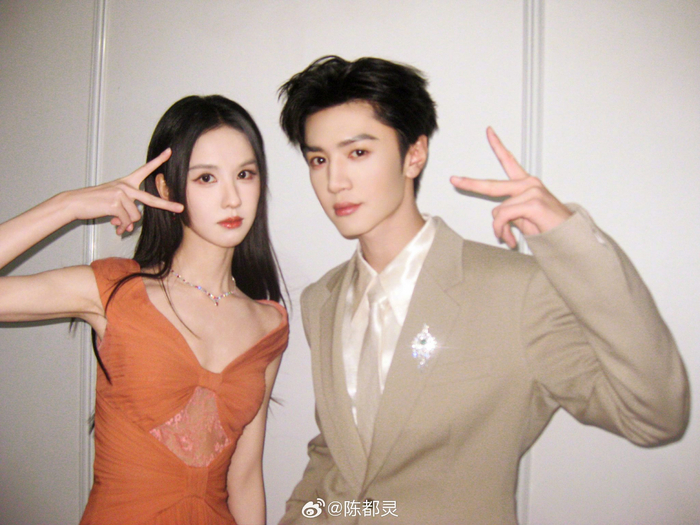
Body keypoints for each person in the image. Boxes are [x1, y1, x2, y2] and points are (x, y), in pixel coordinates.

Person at [276, 56, 689, 524]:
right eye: (318, 160)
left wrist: (570, 241)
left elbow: (654, 417)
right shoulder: (322, 300)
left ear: (414, 154)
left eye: (357, 153)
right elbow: (336, 454)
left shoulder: (517, 292)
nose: (334, 181)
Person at [0, 95, 288, 525]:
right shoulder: (115, 291)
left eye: (245, 174)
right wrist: (69, 205)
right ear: (166, 189)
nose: (232, 198)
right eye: (206, 178)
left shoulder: (269, 325)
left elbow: (245, 479)